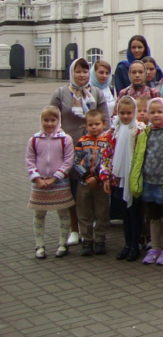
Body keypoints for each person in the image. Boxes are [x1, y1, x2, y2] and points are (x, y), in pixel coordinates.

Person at [50, 57, 110, 246]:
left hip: (92, 151)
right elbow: (52, 117)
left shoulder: (96, 93)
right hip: (68, 149)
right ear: (72, 73)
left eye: (85, 71)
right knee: (72, 190)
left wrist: (101, 142)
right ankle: (74, 229)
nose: (82, 75)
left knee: (91, 190)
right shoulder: (61, 93)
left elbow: (106, 120)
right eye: (78, 71)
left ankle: (90, 230)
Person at [130, 98, 163, 266]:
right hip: (148, 181)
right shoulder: (145, 133)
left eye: (160, 111)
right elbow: (138, 157)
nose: (156, 115)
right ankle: (155, 246)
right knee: (153, 216)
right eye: (152, 112)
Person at [26, 106, 75, 259]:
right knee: (39, 214)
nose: (49, 124)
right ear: (41, 121)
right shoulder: (34, 139)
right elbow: (29, 160)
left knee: (63, 212)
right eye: (46, 120)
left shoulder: (65, 139)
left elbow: (68, 161)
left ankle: (62, 243)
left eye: (53, 120)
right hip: (39, 183)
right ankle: (39, 245)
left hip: (59, 182)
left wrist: (55, 177)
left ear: (58, 120)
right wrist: (37, 178)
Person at [100, 96, 144, 262]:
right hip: (118, 179)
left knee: (135, 212)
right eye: (122, 113)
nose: (125, 116)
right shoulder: (113, 132)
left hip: (134, 177)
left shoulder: (139, 130)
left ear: (134, 113)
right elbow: (106, 156)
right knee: (125, 213)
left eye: (129, 113)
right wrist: (105, 177)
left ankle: (135, 244)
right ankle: (127, 244)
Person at [73, 109, 112, 256]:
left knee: (102, 211)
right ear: (86, 126)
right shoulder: (82, 142)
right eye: (91, 124)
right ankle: (87, 239)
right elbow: (75, 161)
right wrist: (85, 176)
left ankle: (100, 239)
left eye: (97, 124)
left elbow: (108, 160)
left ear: (104, 124)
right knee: (84, 211)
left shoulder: (107, 141)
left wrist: (97, 177)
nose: (94, 127)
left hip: (101, 183)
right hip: (84, 184)